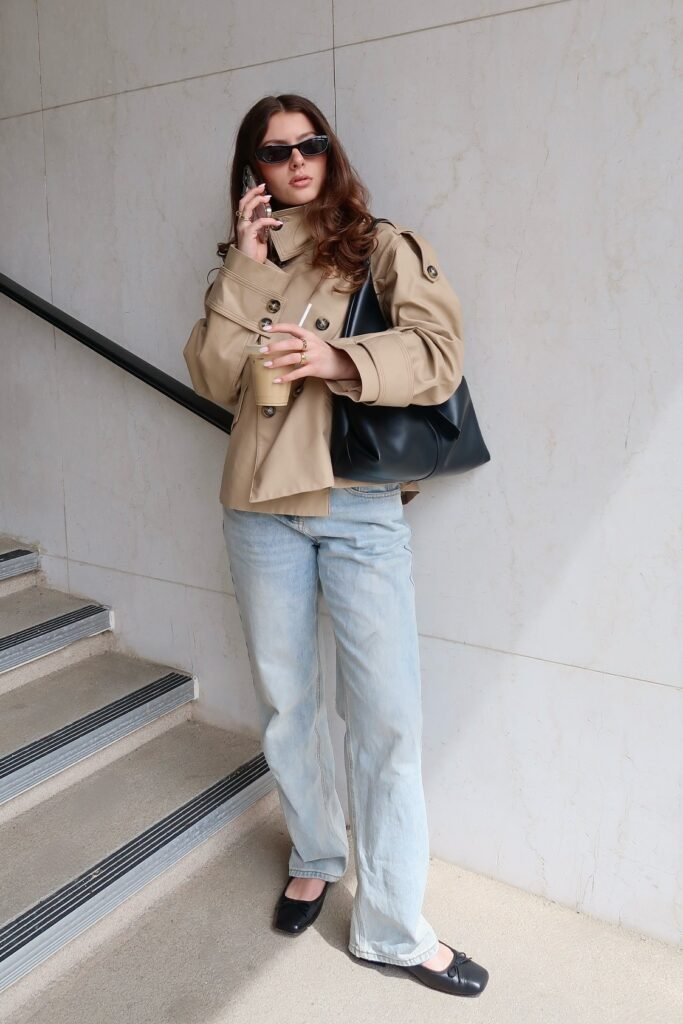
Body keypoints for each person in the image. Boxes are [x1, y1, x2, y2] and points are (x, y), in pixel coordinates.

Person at [183, 93, 489, 998]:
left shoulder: (381, 244)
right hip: (257, 508)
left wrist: (338, 362)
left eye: (310, 144)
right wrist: (242, 270)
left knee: (387, 722)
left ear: (330, 151)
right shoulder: (245, 259)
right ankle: (315, 852)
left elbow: (440, 354)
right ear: (255, 174)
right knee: (287, 704)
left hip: (356, 511)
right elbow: (210, 373)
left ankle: (392, 928)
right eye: (275, 153)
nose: (297, 161)